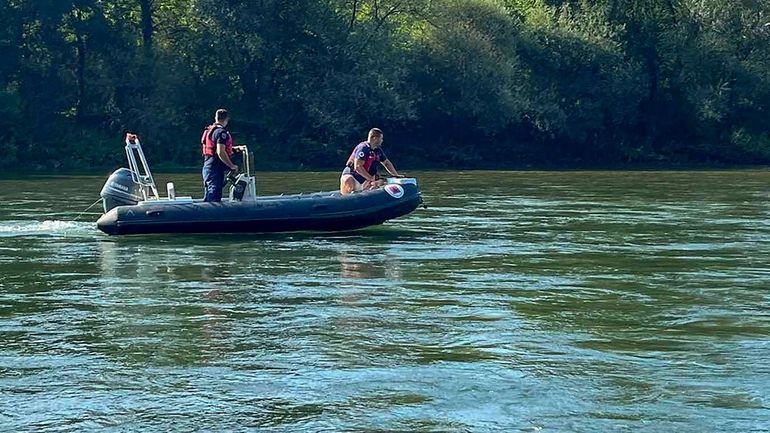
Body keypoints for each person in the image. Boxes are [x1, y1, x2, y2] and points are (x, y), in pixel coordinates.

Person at [340, 128, 402, 195]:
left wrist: (396, 175)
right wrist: (371, 178)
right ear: (375, 138)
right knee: (348, 179)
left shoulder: (377, 150)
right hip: (354, 177)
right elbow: (358, 167)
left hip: (365, 179)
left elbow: (386, 163)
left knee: (381, 182)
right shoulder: (363, 149)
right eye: (381, 138)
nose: (382, 141)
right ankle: (348, 196)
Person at [201, 109, 239, 202]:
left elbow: (215, 148)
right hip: (215, 168)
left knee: (209, 193)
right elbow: (220, 152)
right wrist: (232, 166)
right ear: (226, 119)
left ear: (216, 118)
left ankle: (207, 213)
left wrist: (234, 149)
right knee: (214, 195)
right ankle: (212, 215)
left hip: (207, 167)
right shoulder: (221, 132)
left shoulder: (211, 130)